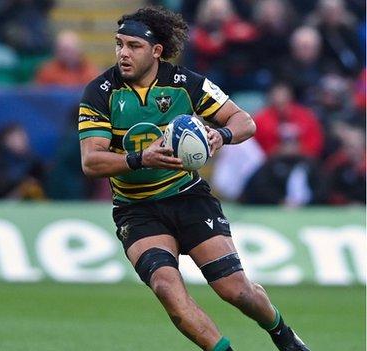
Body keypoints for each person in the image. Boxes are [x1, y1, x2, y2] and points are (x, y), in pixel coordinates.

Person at [78, 6, 309, 351]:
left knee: (235, 290)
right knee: (166, 287)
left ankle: (283, 335)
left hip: (187, 196)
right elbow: (91, 162)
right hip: (137, 208)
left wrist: (222, 135)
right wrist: (141, 158)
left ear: (156, 51)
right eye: (118, 44)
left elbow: (245, 120)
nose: (123, 53)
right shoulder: (101, 92)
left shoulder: (186, 83)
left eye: (133, 46)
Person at [34, 30, 100, 86]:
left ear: (79, 50)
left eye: (68, 50)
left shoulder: (91, 72)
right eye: (61, 50)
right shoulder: (47, 71)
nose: (65, 54)